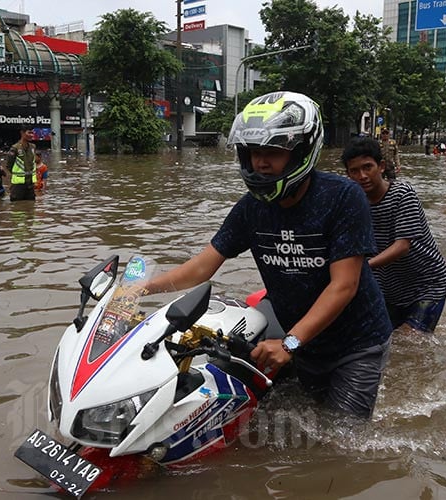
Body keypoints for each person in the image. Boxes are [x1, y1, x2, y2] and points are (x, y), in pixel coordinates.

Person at [140, 92, 392, 419]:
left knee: (340, 440)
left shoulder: (342, 198)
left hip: (356, 344)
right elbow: (202, 266)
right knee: (296, 419)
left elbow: (344, 285)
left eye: (274, 151)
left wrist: (289, 344)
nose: (261, 162)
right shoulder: (252, 209)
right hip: (302, 340)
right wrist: (141, 289)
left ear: (302, 150)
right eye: (254, 152)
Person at [343, 137, 446, 333]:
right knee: (384, 340)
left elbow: (402, 246)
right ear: (348, 174)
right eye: (354, 171)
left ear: (381, 166)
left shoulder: (402, 194)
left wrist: (362, 268)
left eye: (368, 167)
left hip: (427, 284)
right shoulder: (353, 204)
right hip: (389, 288)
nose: (362, 176)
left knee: (410, 343)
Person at [4, 124, 36, 201]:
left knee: (31, 208)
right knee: (17, 209)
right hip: (18, 185)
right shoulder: (15, 148)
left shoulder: (33, 147)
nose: (31, 135)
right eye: (29, 133)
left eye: (32, 133)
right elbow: (9, 165)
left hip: (30, 184)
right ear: (22, 133)